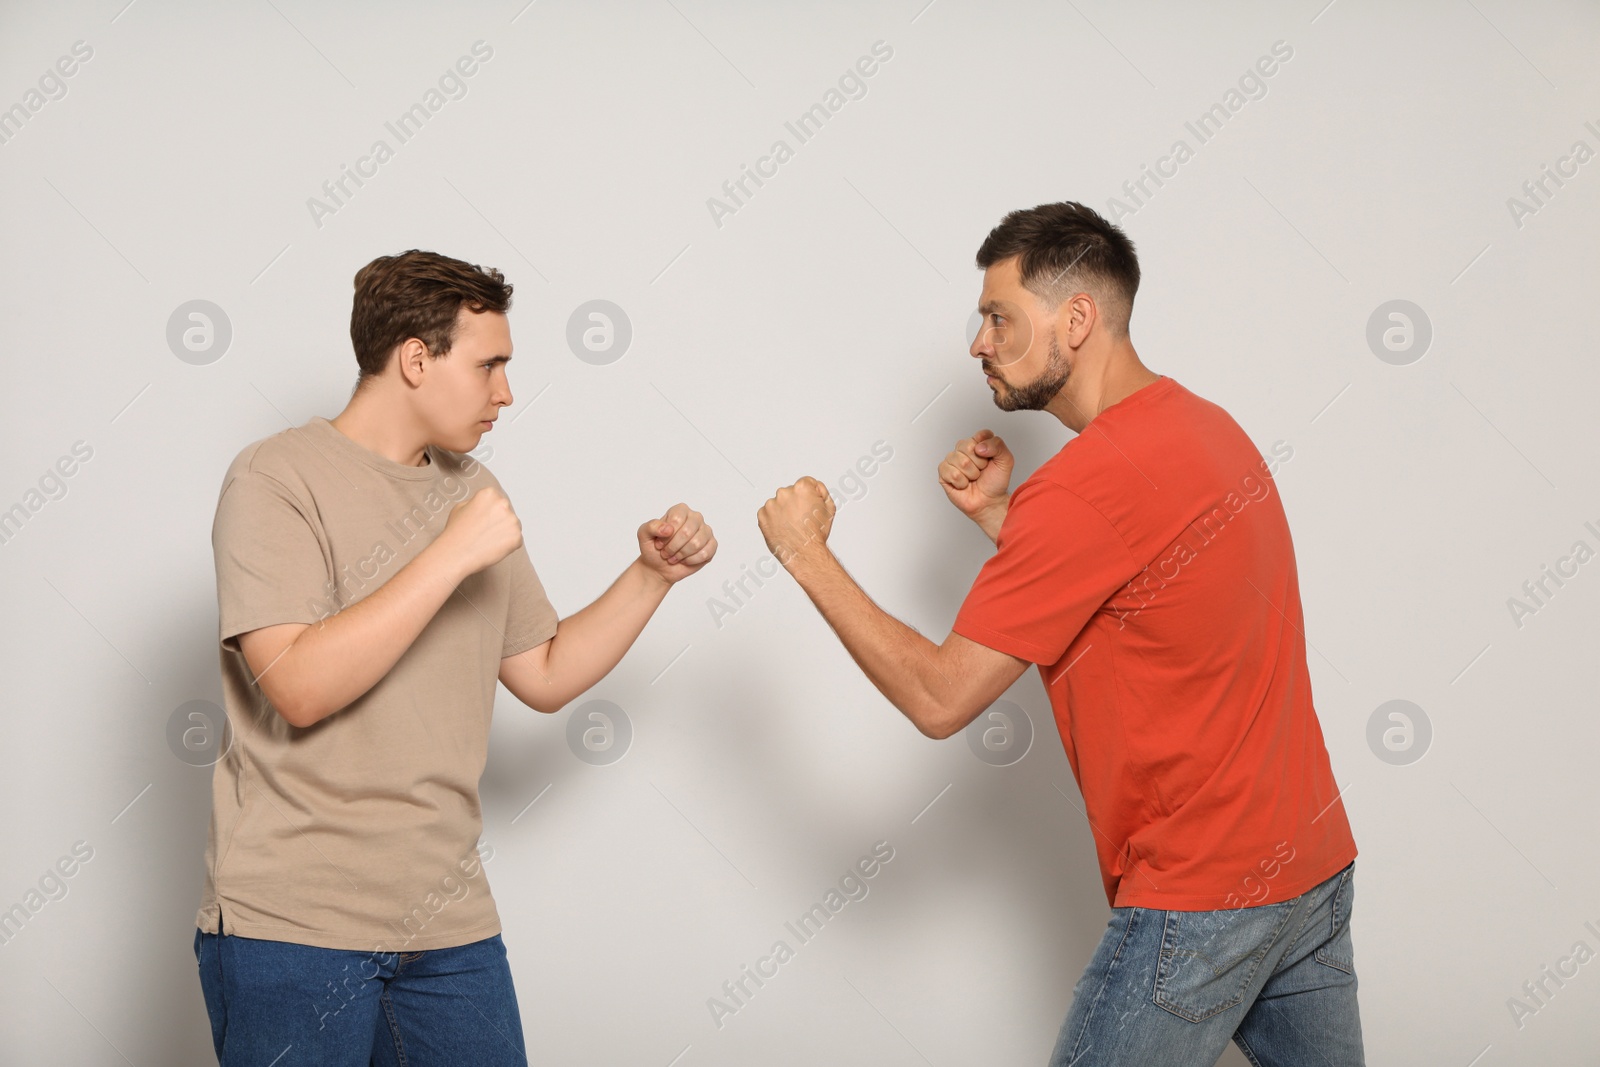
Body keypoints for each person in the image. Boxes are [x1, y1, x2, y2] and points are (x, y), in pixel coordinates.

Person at [755, 202, 1363, 1066]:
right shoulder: (1204, 428)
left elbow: (939, 698)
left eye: (999, 316)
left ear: (1075, 320)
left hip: (1204, 895)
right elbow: (1150, 598)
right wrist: (1008, 518)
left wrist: (806, 554)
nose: (978, 341)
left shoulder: (1082, 488)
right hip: (1307, 862)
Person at [194, 249, 717, 1065]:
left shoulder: (473, 492)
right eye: (489, 365)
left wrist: (652, 576)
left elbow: (542, 672)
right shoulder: (275, 477)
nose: (505, 391)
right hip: (292, 927)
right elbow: (294, 686)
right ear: (415, 358)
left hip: (449, 927)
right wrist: (447, 555)